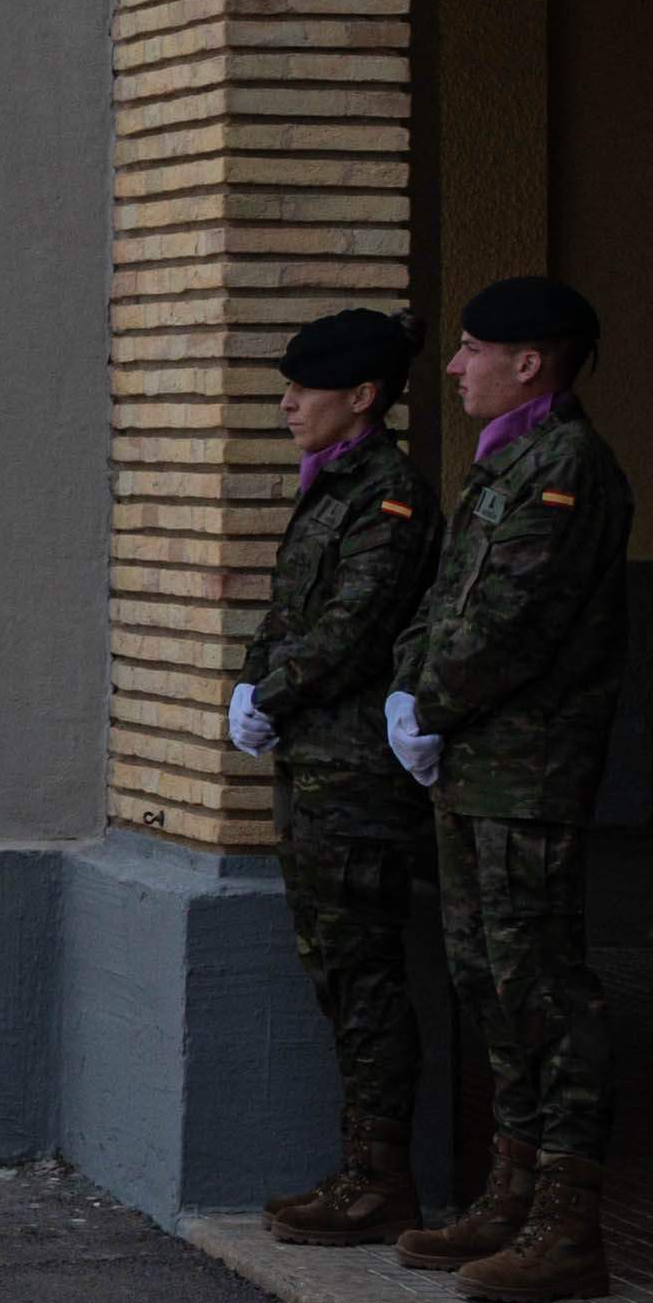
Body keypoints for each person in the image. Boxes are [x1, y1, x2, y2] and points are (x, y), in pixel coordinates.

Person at [389, 269, 636, 1303]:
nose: (450, 368)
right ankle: (511, 1188)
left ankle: (565, 1225)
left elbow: (512, 622)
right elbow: (444, 599)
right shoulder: (501, 466)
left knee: (540, 986)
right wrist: (409, 688)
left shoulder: (563, 467)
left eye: (468, 350)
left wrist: (429, 702)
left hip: (525, 772)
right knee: (483, 977)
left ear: (525, 362)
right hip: (472, 769)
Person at [235, 307, 443, 1254]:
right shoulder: (331, 487)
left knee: (363, 976)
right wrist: (254, 676)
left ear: (361, 397)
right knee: (335, 970)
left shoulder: (388, 495)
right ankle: (360, 1167)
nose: (286, 405)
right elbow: (292, 609)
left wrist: (270, 691)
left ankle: (380, 1178)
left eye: (304, 389)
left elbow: (353, 626)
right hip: (314, 764)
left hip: (354, 777)